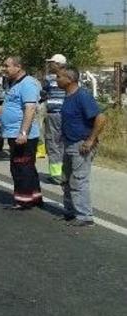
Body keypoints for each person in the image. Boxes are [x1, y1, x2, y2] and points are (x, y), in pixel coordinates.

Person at [56, 66, 106, 227]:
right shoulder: (68, 96)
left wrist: (90, 140)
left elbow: (101, 118)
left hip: (81, 144)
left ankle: (84, 216)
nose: (56, 80)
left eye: (59, 77)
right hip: (69, 143)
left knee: (78, 180)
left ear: (70, 79)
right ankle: (70, 212)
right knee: (66, 179)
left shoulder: (82, 96)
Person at [0, 56, 43, 210]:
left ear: (18, 67)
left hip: (23, 135)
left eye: (7, 66)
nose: (4, 69)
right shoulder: (14, 83)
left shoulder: (27, 83)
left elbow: (30, 109)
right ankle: (34, 196)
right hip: (13, 132)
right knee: (27, 165)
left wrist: (23, 132)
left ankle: (23, 200)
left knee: (20, 166)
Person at [42, 54, 67, 183]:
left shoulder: (50, 79)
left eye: (52, 63)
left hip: (54, 114)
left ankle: (56, 175)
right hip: (67, 115)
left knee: (53, 143)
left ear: (58, 64)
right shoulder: (71, 76)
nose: (50, 65)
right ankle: (65, 173)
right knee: (64, 143)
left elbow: (43, 92)